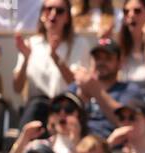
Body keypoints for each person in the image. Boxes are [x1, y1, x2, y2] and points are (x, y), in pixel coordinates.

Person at [13, 0, 91, 130]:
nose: (53, 14)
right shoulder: (31, 44)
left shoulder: (80, 44)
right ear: (42, 14)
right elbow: (17, 87)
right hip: (37, 109)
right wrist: (26, 59)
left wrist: (56, 58)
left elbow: (77, 85)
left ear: (67, 18)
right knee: (37, 106)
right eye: (48, 9)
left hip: (67, 109)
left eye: (59, 11)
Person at [70, 35, 135, 140]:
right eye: (97, 58)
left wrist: (96, 91)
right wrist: (80, 97)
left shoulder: (128, 90)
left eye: (108, 58)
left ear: (119, 63)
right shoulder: (76, 87)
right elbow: (57, 119)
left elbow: (127, 123)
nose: (101, 62)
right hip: (76, 143)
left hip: (111, 147)